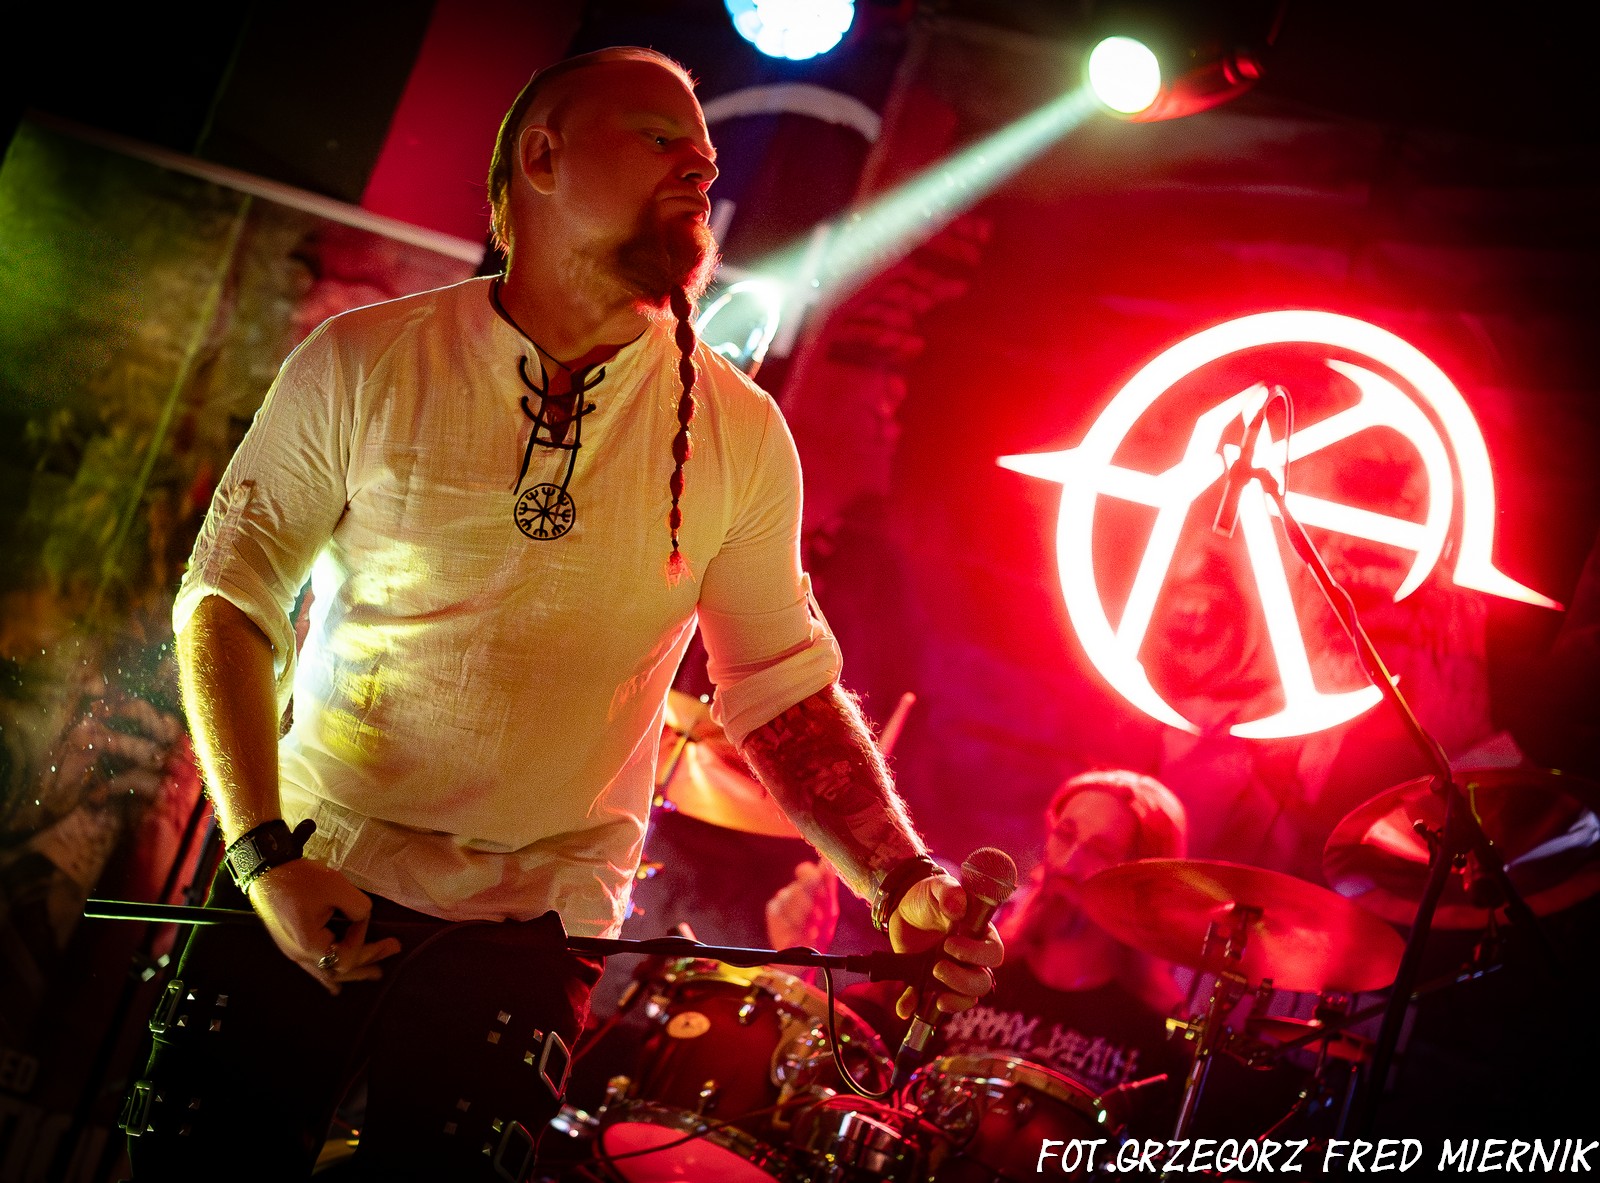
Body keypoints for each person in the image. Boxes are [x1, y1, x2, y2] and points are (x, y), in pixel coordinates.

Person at [123, 47, 1001, 1181]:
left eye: (707, 155)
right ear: (541, 158)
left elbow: (778, 684)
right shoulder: (364, 360)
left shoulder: (740, 433)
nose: (701, 167)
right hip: (313, 859)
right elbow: (228, 600)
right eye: (660, 139)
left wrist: (902, 878)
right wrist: (261, 856)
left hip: (534, 922)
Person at [771, 769, 1194, 1136]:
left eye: (1099, 852)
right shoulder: (968, 961)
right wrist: (795, 958)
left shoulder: (1157, 1043)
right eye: (1064, 835)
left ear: (1140, 886)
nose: (1068, 862)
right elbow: (847, 1050)